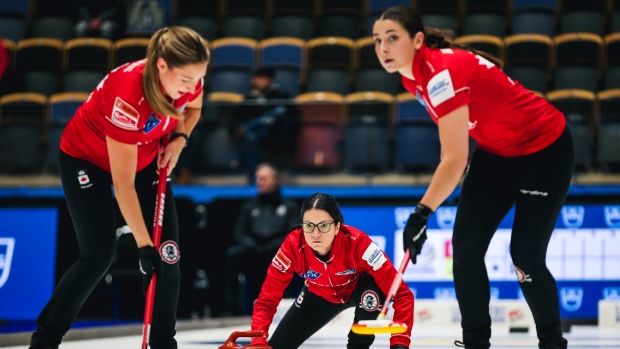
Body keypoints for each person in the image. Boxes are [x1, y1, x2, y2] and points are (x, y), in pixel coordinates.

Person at [372, 6, 574, 349]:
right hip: (497, 153)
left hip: (544, 150)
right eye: (377, 40)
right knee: (465, 251)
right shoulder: (413, 78)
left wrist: (421, 213)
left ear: (418, 40)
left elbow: (454, 159)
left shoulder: (439, 74)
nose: (383, 48)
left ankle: (553, 343)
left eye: (393, 38)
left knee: (525, 258)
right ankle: (476, 343)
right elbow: (455, 148)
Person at [28, 26, 209, 349]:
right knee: (98, 255)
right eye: (186, 81)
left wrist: (180, 139)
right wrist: (143, 248)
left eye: (199, 79)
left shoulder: (189, 77)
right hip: (88, 160)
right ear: (161, 65)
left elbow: (193, 110)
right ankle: (44, 341)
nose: (192, 88)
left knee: (168, 256)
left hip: (148, 155)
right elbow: (122, 185)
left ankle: (163, 344)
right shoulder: (128, 94)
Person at [249, 192, 414, 349]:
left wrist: (400, 343)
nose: (315, 233)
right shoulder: (292, 247)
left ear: (337, 227)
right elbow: (267, 300)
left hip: (361, 289)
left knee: (370, 296)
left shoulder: (360, 245)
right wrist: (257, 340)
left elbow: (403, 295)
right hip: (318, 294)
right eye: (308, 225)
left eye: (324, 226)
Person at [224, 162, 300, 315]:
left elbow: (293, 233)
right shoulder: (250, 206)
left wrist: (274, 246)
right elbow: (239, 232)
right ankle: (230, 306)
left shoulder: (289, 206)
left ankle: (294, 305)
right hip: (253, 250)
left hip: (278, 251)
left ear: (275, 180)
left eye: (264, 178)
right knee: (232, 254)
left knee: (297, 255)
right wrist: (253, 245)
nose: (259, 182)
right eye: (257, 179)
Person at [231, 67, 298, 182]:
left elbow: (293, 114)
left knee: (278, 111)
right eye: (261, 78)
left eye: (267, 79)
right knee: (250, 137)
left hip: (275, 132)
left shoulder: (280, 95)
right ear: (254, 80)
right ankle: (262, 171)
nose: (265, 81)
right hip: (255, 133)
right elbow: (236, 118)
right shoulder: (248, 99)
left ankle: (258, 174)